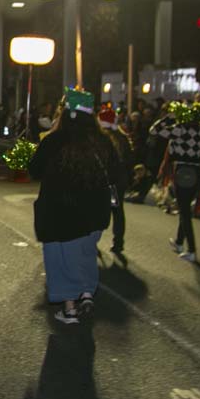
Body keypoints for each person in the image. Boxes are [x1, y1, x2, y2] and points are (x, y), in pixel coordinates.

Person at [27, 88, 119, 324]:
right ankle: (87, 291)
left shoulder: (55, 140)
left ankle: (69, 308)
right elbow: (117, 173)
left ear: (65, 113)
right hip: (95, 210)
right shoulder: (103, 141)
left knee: (60, 256)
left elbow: (34, 169)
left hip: (60, 211)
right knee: (87, 251)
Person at [150, 102, 200, 262]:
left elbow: (154, 130)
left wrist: (169, 117)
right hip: (197, 172)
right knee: (185, 208)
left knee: (184, 212)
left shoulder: (179, 129)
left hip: (183, 172)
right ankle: (178, 242)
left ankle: (192, 250)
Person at [97, 105, 133, 257]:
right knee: (117, 210)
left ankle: (93, 240)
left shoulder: (101, 139)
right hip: (119, 181)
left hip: (106, 181)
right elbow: (130, 160)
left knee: (98, 210)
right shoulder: (123, 137)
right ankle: (118, 242)